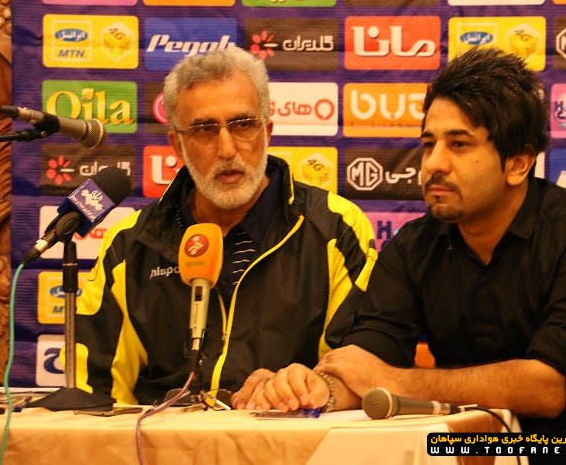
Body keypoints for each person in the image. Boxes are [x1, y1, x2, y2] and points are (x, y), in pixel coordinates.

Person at [233, 47, 566, 462]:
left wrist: (393, 381)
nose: (432, 164)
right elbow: (368, 359)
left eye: (458, 144)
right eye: (428, 144)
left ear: (518, 164)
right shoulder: (412, 247)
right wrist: (311, 389)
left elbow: (547, 388)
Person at [74, 46, 377, 405]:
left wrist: (302, 389)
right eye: (204, 129)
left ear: (267, 131)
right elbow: (94, 393)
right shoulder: (130, 245)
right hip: (159, 437)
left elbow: (356, 374)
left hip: (286, 435)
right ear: (177, 145)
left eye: (243, 125)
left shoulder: (335, 229)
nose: (227, 149)